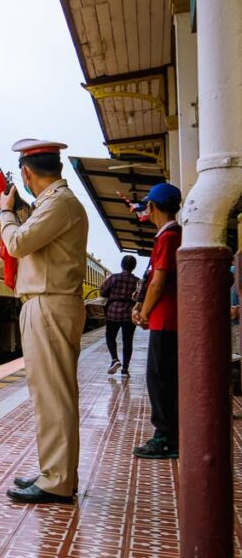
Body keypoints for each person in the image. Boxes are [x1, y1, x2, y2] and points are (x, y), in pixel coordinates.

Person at [0, 138, 88, 504]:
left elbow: (17, 244)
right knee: (48, 395)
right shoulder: (52, 205)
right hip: (44, 304)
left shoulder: (60, 203)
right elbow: (14, 250)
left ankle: (57, 480)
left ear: (27, 173)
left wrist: (4, 211)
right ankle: (54, 473)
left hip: (49, 304)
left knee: (53, 395)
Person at [131, 182, 182, 459]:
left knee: (159, 378)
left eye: (147, 206)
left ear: (151, 206)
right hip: (167, 318)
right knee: (162, 377)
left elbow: (158, 281)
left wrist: (146, 311)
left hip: (166, 320)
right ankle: (168, 434)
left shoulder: (168, 237)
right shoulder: (169, 235)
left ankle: (166, 438)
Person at [100, 255, 140, 377]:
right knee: (128, 341)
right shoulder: (137, 281)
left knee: (110, 336)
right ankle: (125, 370)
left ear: (121, 265)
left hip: (113, 311)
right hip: (129, 313)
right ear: (134, 267)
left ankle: (114, 359)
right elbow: (139, 296)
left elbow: (102, 291)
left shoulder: (113, 278)